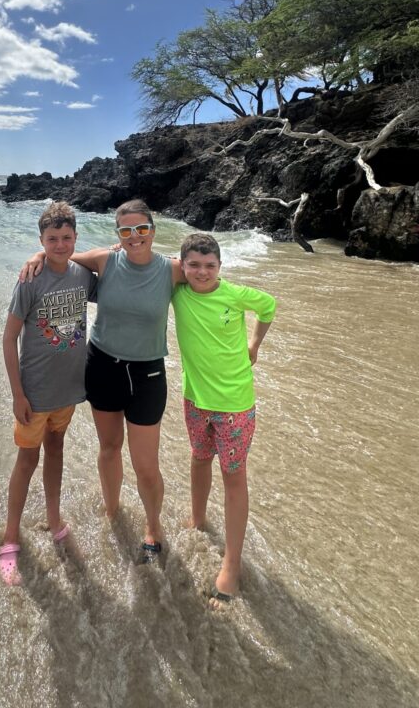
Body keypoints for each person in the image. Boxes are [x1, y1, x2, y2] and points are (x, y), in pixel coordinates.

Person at [22, 199, 184, 564]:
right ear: (118, 235)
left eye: (141, 229)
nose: (134, 236)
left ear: (153, 230)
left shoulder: (172, 270)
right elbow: (60, 255)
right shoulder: (105, 261)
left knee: (146, 465)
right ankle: (112, 513)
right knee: (109, 448)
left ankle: (153, 528)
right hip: (103, 366)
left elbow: (207, 278)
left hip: (148, 374)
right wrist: (35, 255)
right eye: (126, 230)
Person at [172, 232, 276, 608]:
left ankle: (232, 563)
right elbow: (146, 265)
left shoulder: (233, 294)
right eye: (194, 265)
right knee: (199, 459)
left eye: (210, 266)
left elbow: (269, 305)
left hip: (234, 404)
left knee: (234, 476)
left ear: (220, 267)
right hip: (194, 400)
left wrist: (254, 345)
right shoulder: (178, 292)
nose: (202, 272)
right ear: (182, 267)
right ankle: (197, 518)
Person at [0, 201, 98, 586]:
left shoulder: (82, 276)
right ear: (41, 241)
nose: (59, 245)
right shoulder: (30, 280)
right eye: (51, 240)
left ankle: (54, 520)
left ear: (75, 239)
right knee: (27, 461)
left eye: (66, 238)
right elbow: (9, 339)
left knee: (57, 449)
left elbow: (112, 266)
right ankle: (10, 538)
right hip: (35, 393)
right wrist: (17, 395)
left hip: (69, 391)